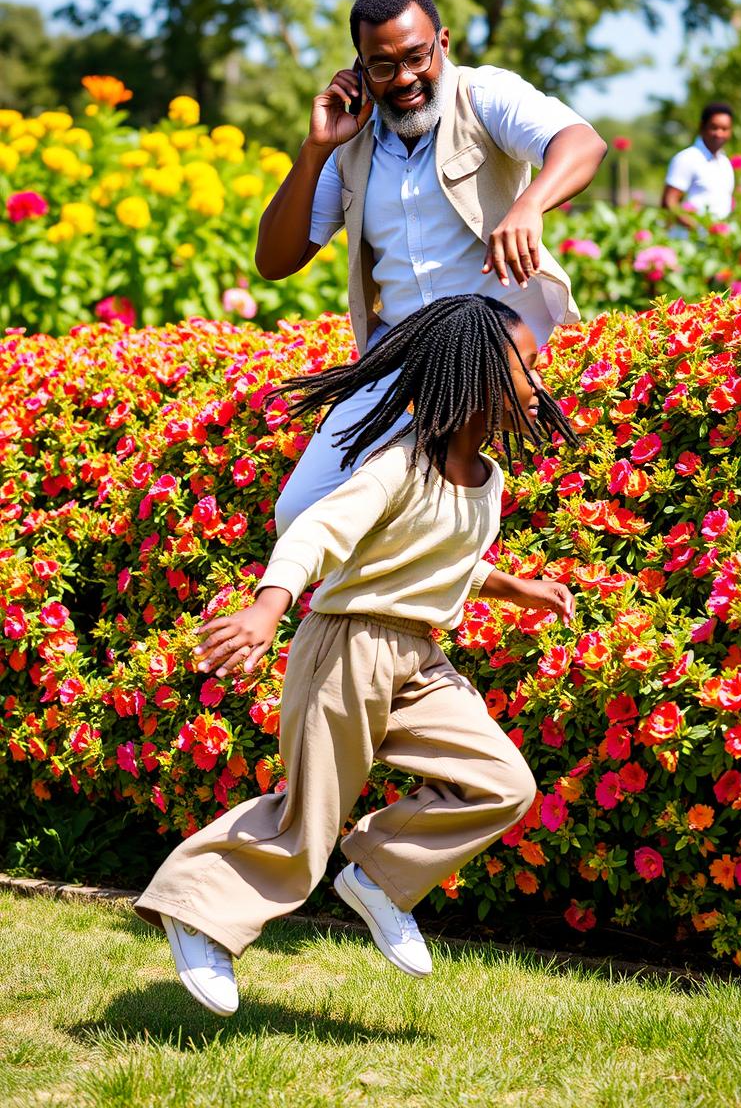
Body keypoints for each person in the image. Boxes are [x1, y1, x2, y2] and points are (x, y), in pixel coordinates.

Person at [134, 295, 577, 1016]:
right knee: (305, 820)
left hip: (419, 662)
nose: (538, 373)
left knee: (503, 783)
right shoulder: (399, 465)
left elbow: (441, 558)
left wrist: (514, 586)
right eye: (525, 360)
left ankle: (377, 879)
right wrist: (267, 607)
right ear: (476, 376)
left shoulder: (488, 480)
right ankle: (200, 916)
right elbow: (318, 534)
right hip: (348, 646)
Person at [254, 0, 606, 532]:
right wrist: (317, 146)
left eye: (417, 57)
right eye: (383, 66)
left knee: (500, 517)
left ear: (443, 41)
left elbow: (582, 143)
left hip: (500, 352)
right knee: (299, 513)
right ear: (360, 69)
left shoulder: (484, 93)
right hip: (401, 360)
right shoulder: (351, 141)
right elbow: (275, 261)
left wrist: (530, 205)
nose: (406, 79)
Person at [662, 102, 735, 221]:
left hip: (717, 238)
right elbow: (669, 203)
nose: (719, 133)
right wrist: (696, 227)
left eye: (724, 129)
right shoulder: (687, 158)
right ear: (702, 127)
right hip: (689, 238)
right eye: (714, 127)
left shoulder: (725, 162)